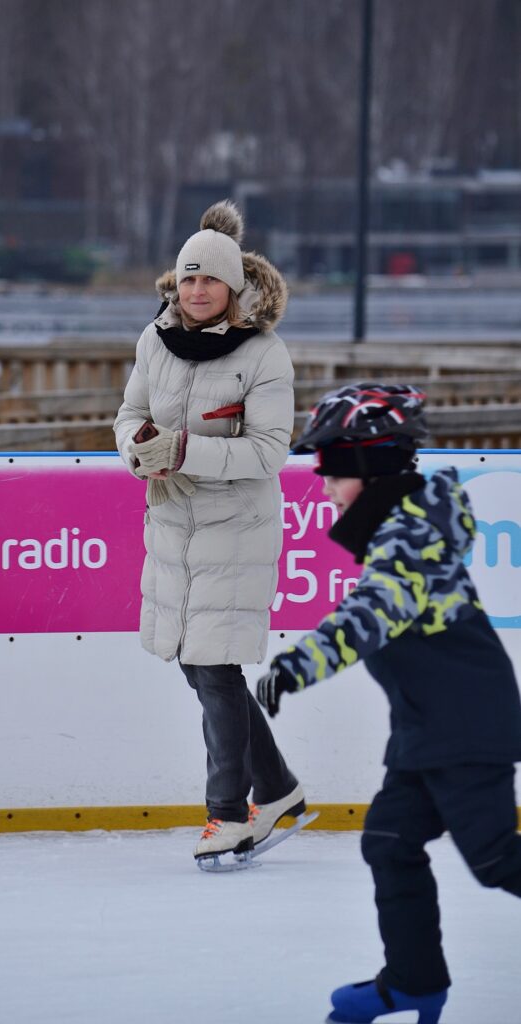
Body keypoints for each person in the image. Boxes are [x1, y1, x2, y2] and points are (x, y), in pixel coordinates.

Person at [256, 382, 521, 1024]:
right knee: (390, 841)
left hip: (465, 727)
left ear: (369, 465)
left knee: (493, 861)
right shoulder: (407, 525)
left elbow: (371, 614)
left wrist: (297, 663)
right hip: (427, 730)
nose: (323, 485)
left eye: (332, 469)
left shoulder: (409, 539)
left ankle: (414, 981)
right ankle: (414, 982)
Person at [114, 200, 305, 863]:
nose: (197, 291)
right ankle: (278, 788)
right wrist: (138, 447)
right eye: (187, 279)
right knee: (199, 672)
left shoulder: (264, 355)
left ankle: (229, 813)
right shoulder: (153, 339)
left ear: (233, 287)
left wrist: (183, 449)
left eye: (209, 280)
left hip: (236, 530)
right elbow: (130, 412)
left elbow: (267, 454)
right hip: (172, 525)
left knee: (216, 673)